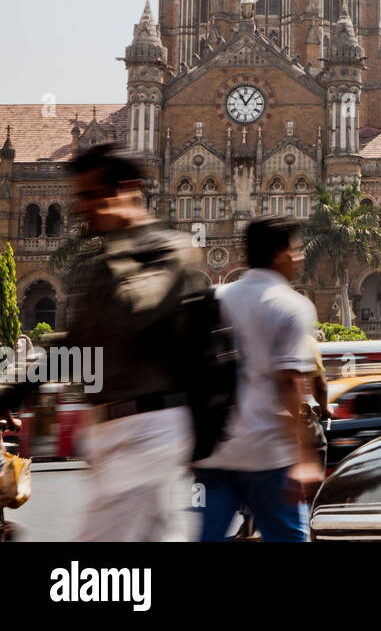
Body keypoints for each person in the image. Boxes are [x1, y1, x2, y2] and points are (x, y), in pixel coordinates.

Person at [65, 144, 198, 541]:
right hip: (112, 433)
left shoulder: (164, 251)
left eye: (91, 197)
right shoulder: (101, 257)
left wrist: (123, 232)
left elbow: (135, 311)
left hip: (146, 431)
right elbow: (75, 346)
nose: (80, 209)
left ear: (126, 190)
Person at [193, 217, 322, 542]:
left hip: (216, 454)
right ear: (280, 254)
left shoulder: (214, 297)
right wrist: (304, 457)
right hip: (269, 456)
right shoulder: (292, 306)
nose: (300, 256)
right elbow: (290, 383)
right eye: (295, 250)